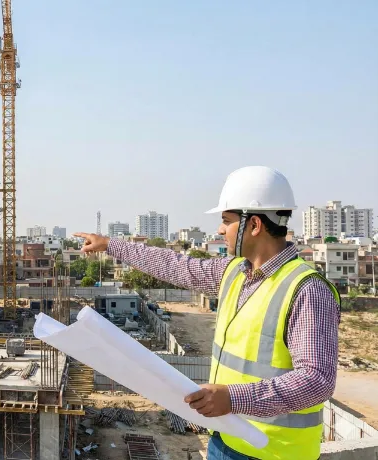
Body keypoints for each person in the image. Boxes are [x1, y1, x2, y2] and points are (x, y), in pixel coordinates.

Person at [75, 166, 340, 460]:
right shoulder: (234, 272)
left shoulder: (306, 289)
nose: (220, 230)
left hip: (274, 453)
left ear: (254, 225)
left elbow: (316, 380)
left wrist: (233, 398)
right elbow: (175, 265)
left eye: (226, 221)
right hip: (225, 438)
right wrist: (110, 245)